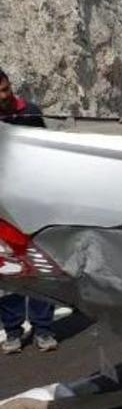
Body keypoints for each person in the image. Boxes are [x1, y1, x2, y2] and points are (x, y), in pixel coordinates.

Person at [0, 68, 56, 353]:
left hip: (31, 201)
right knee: (8, 270)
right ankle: (12, 331)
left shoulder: (30, 112)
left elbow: (44, 152)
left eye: (6, 88)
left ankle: (43, 328)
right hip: (1, 208)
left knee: (38, 266)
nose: (5, 95)